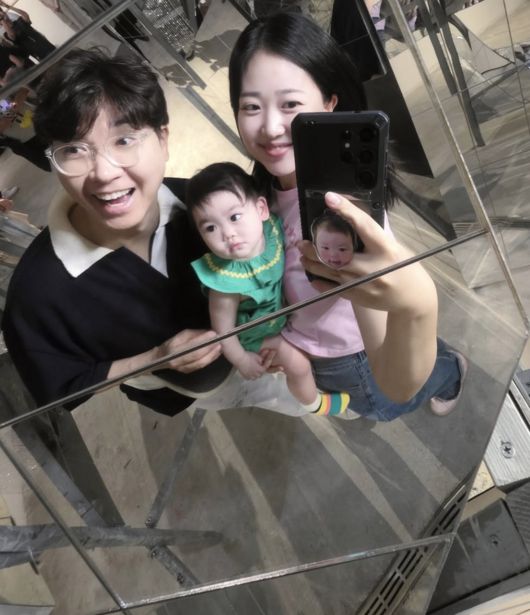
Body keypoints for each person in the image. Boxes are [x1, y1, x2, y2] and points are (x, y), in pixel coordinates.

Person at [1, 47, 452, 420]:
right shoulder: (37, 294)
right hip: (212, 389)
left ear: (163, 138)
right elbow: (63, 385)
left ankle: (443, 370)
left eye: (123, 140)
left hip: (282, 355)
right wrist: (153, 359)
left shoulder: (197, 205)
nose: (104, 173)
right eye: (74, 150)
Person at [228, 12, 467, 420]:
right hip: (316, 345)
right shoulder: (263, 191)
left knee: (383, 405)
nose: (270, 126)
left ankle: (451, 372)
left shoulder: (345, 211)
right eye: (251, 106)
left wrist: (420, 305)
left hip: (353, 352)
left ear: (329, 103)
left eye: (290, 104)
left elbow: (395, 383)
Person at [187, 161, 351, 416]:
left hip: (279, 316)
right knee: (298, 366)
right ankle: (314, 405)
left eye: (234, 217)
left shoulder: (271, 231)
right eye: (210, 228)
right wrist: (241, 359)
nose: (228, 233)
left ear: (261, 209)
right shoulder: (225, 281)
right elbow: (223, 331)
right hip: (255, 334)